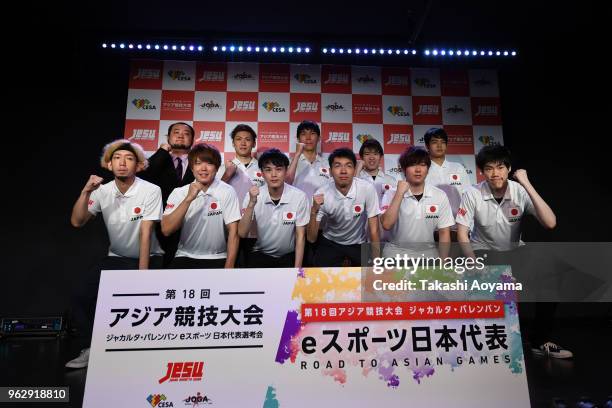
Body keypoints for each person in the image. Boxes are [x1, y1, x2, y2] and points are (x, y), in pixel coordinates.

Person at [455, 144, 570, 358]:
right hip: (484, 252)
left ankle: (540, 340)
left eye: (500, 167)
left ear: (508, 169)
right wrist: (472, 262)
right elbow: (462, 233)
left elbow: (550, 222)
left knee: (550, 272)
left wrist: (526, 183)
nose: (495, 173)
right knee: (498, 288)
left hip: (516, 250)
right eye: (489, 168)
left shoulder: (520, 191)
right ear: (481, 171)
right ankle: (494, 342)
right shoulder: (473, 193)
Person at [66, 139, 164, 368]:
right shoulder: (102, 191)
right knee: (81, 296)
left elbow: (146, 231)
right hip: (117, 257)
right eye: (117, 158)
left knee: (147, 304)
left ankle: (144, 352)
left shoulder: (150, 190)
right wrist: (85, 191)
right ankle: (92, 347)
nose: (122, 163)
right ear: (108, 165)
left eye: (129, 158)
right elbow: (77, 221)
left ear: (138, 166)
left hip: (149, 257)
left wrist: (142, 275)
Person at [161, 143, 240, 269]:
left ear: (217, 167)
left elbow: (234, 232)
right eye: (198, 163)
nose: (203, 168)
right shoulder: (179, 192)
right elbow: (166, 230)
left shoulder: (227, 191)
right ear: (192, 168)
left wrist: (228, 269)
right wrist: (188, 199)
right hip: (184, 255)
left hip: (218, 257)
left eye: (209, 163)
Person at [307, 148, 380, 266]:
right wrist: (314, 211)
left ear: (355, 169)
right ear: (330, 172)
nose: (343, 171)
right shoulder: (321, 194)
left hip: (358, 242)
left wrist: (377, 262)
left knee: (367, 279)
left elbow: (374, 229)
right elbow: (311, 238)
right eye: (338, 166)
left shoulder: (367, 189)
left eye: (348, 166)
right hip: (331, 242)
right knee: (320, 278)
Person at [239, 149, 310, 268]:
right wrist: (251, 203)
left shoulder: (299, 197)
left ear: (286, 171)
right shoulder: (253, 195)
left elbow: (301, 236)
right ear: (261, 173)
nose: (273, 175)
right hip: (261, 254)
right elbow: (242, 233)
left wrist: (297, 269)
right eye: (268, 170)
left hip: (289, 256)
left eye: (278, 169)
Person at [380, 146, 454, 258]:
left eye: (423, 165)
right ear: (404, 169)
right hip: (396, 253)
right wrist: (399, 194)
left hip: (428, 254)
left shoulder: (439, 195)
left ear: (428, 169)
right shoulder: (391, 193)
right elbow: (386, 224)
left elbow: (444, 232)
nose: (418, 169)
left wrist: (442, 262)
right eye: (413, 164)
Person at [139, 122, 195, 265]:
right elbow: (143, 177)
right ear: (168, 137)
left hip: (192, 223)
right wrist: (162, 151)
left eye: (186, 133)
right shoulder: (159, 159)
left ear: (192, 140)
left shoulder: (198, 162)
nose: (181, 136)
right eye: (176, 132)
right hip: (160, 224)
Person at [423, 127, 470, 232]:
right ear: (427, 146)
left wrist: (466, 223)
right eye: (435, 142)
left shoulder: (458, 167)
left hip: (457, 226)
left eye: (443, 142)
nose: (439, 145)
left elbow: (467, 196)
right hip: (431, 227)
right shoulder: (422, 169)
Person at [216, 124, 265, 204]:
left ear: (254, 144)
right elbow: (215, 195)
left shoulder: (263, 168)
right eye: (238, 139)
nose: (243, 143)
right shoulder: (223, 168)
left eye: (247, 139)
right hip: (230, 215)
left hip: (257, 215)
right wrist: (226, 176)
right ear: (233, 143)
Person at [285, 120, 332, 198]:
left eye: (312, 133)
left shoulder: (328, 164)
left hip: (322, 209)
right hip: (297, 209)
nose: (308, 138)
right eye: (303, 134)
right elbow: (285, 184)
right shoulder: (289, 163)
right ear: (298, 139)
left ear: (319, 138)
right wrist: (297, 155)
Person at [356, 138, 397, 204]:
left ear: (380, 157)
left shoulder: (390, 180)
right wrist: (357, 170)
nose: (371, 157)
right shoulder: (356, 178)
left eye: (375, 154)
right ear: (361, 157)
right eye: (367, 154)